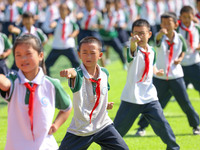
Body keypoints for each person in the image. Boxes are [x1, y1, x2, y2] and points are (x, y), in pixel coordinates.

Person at [113, 19, 180, 150]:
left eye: (142, 33)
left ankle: (173, 148)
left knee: (163, 126)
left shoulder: (152, 51)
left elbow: (151, 65)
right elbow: (132, 49)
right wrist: (133, 44)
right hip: (131, 98)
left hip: (150, 97)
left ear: (149, 34)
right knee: (116, 131)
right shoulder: (132, 50)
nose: (139, 37)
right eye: (136, 34)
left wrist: (157, 71)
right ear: (132, 35)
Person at [0, 34, 72, 150]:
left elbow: (67, 107)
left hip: (45, 146)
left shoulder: (51, 85)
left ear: (40, 56)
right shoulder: (14, 81)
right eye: (18, 55)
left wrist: (56, 125)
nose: (23, 59)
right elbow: (4, 83)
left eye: (28, 54)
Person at [136, 12, 200, 137]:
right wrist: (160, 33)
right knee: (153, 104)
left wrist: (180, 59)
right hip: (160, 77)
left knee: (185, 102)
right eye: (163, 23)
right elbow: (157, 40)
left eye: (168, 23)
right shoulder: (159, 37)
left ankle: (195, 126)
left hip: (176, 76)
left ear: (176, 24)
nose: (166, 26)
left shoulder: (180, 38)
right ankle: (141, 127)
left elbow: (183, 50)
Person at [59, 36, 129, 150]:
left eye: (92, 53)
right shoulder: (78, 75)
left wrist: (105, 104)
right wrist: (69, 72)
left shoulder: (104, 73)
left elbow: (99, 94)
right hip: (81, 130)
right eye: (84, 53)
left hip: (103, 125)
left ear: (100, 55)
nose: (88, 56)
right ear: (79, 55)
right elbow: (74, 73)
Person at [45, 3, 80, 76]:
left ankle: (77, 79)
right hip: (57, 46)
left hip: (68, 46)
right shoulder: (57, 21)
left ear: (67, 11)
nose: (62, 11)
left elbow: (76, 29)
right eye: (60, 10)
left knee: (76, 63)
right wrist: (52, 25)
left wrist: (73, 35)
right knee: (46, 64)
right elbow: (53, 24)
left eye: (64, 10)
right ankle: (49, 79)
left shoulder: (70, 22)